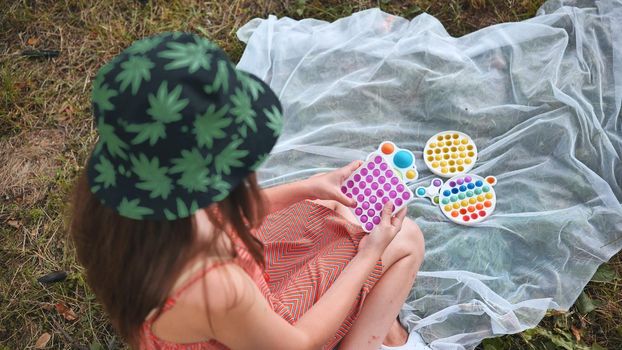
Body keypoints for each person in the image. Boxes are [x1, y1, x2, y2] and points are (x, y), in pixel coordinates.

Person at [69, 32, 425, 350]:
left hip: (234, 303)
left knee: (334, 213)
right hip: (265, 333)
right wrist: (368, 255)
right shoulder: (218, 288)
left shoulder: (121, 191)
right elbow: (297, 344)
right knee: (404, 239)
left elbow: (222, 217)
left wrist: (306, 189)